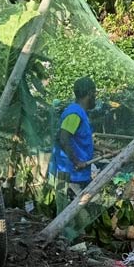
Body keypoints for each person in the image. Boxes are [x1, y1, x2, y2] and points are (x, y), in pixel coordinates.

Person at [51, 77, 97, 208]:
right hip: (72, 174)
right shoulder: (74, 114)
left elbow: (77, 139)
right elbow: (64, 138)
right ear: (89, 93)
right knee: (75, 213)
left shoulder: (80, 113)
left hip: (77, 172)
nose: (95, 97)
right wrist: (77, 161)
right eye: (95, 93)